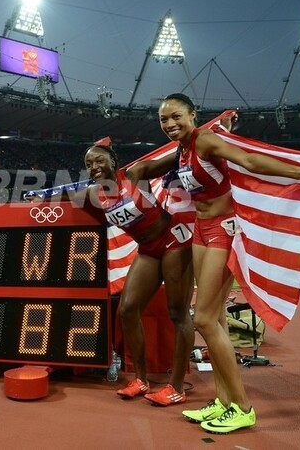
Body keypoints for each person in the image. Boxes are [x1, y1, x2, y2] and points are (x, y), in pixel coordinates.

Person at [155, 93, 300, 433]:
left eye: (176, 116)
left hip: (222, 230)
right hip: (201, 231)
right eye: (164, 120)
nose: (169, 124)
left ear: (193, 115)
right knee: (216, 316)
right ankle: (223, 401)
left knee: (205, 318)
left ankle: (243, 406)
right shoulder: (183, 149)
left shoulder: (204, 140)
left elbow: (248, 162)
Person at [34, 138, 196, 406]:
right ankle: (141, 379)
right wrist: (39, 196)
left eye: (99, 160)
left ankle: (176, 386)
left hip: (173, 242)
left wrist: (208, 133)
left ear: (113, 161)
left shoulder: (136, 174)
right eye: (88, 163)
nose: (94, 166)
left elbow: (179, 155)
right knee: (128, 309)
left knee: (178, 314)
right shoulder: (94, 193)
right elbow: (63, 194)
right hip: (147, 251)